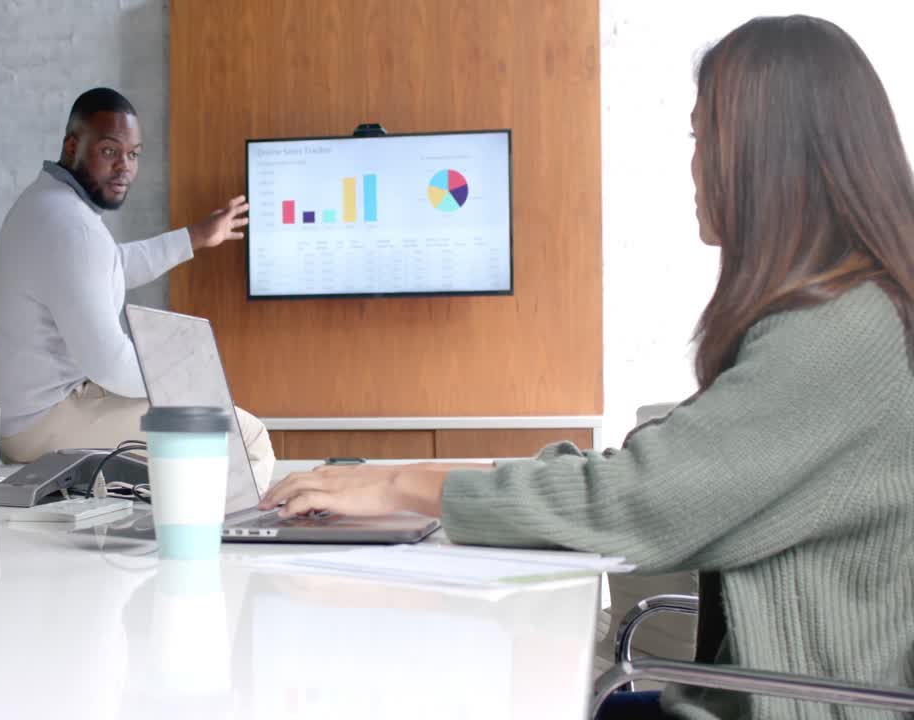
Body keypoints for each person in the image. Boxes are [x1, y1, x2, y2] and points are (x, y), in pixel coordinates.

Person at [261, 15, 914, 720]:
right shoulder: (843, 313)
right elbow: (649, 473)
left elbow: (631, 502)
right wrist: (423, 482)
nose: (695, 165)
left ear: (768, 152)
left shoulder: (843, 331)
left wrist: (399, 483)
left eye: (702, 138)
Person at [0, 87, 275, 489]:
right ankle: (211, 541)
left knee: (197, 426)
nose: (124, 167)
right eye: (109, 151)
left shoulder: (46, 203)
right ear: (72, 145)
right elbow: (111, 366)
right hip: (43, 422)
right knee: (245, 437)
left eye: (133, 154)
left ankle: (169, 522)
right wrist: (187, 380)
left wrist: (196, 236)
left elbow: (110, 265)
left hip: (24, 416)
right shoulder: (72, 227)